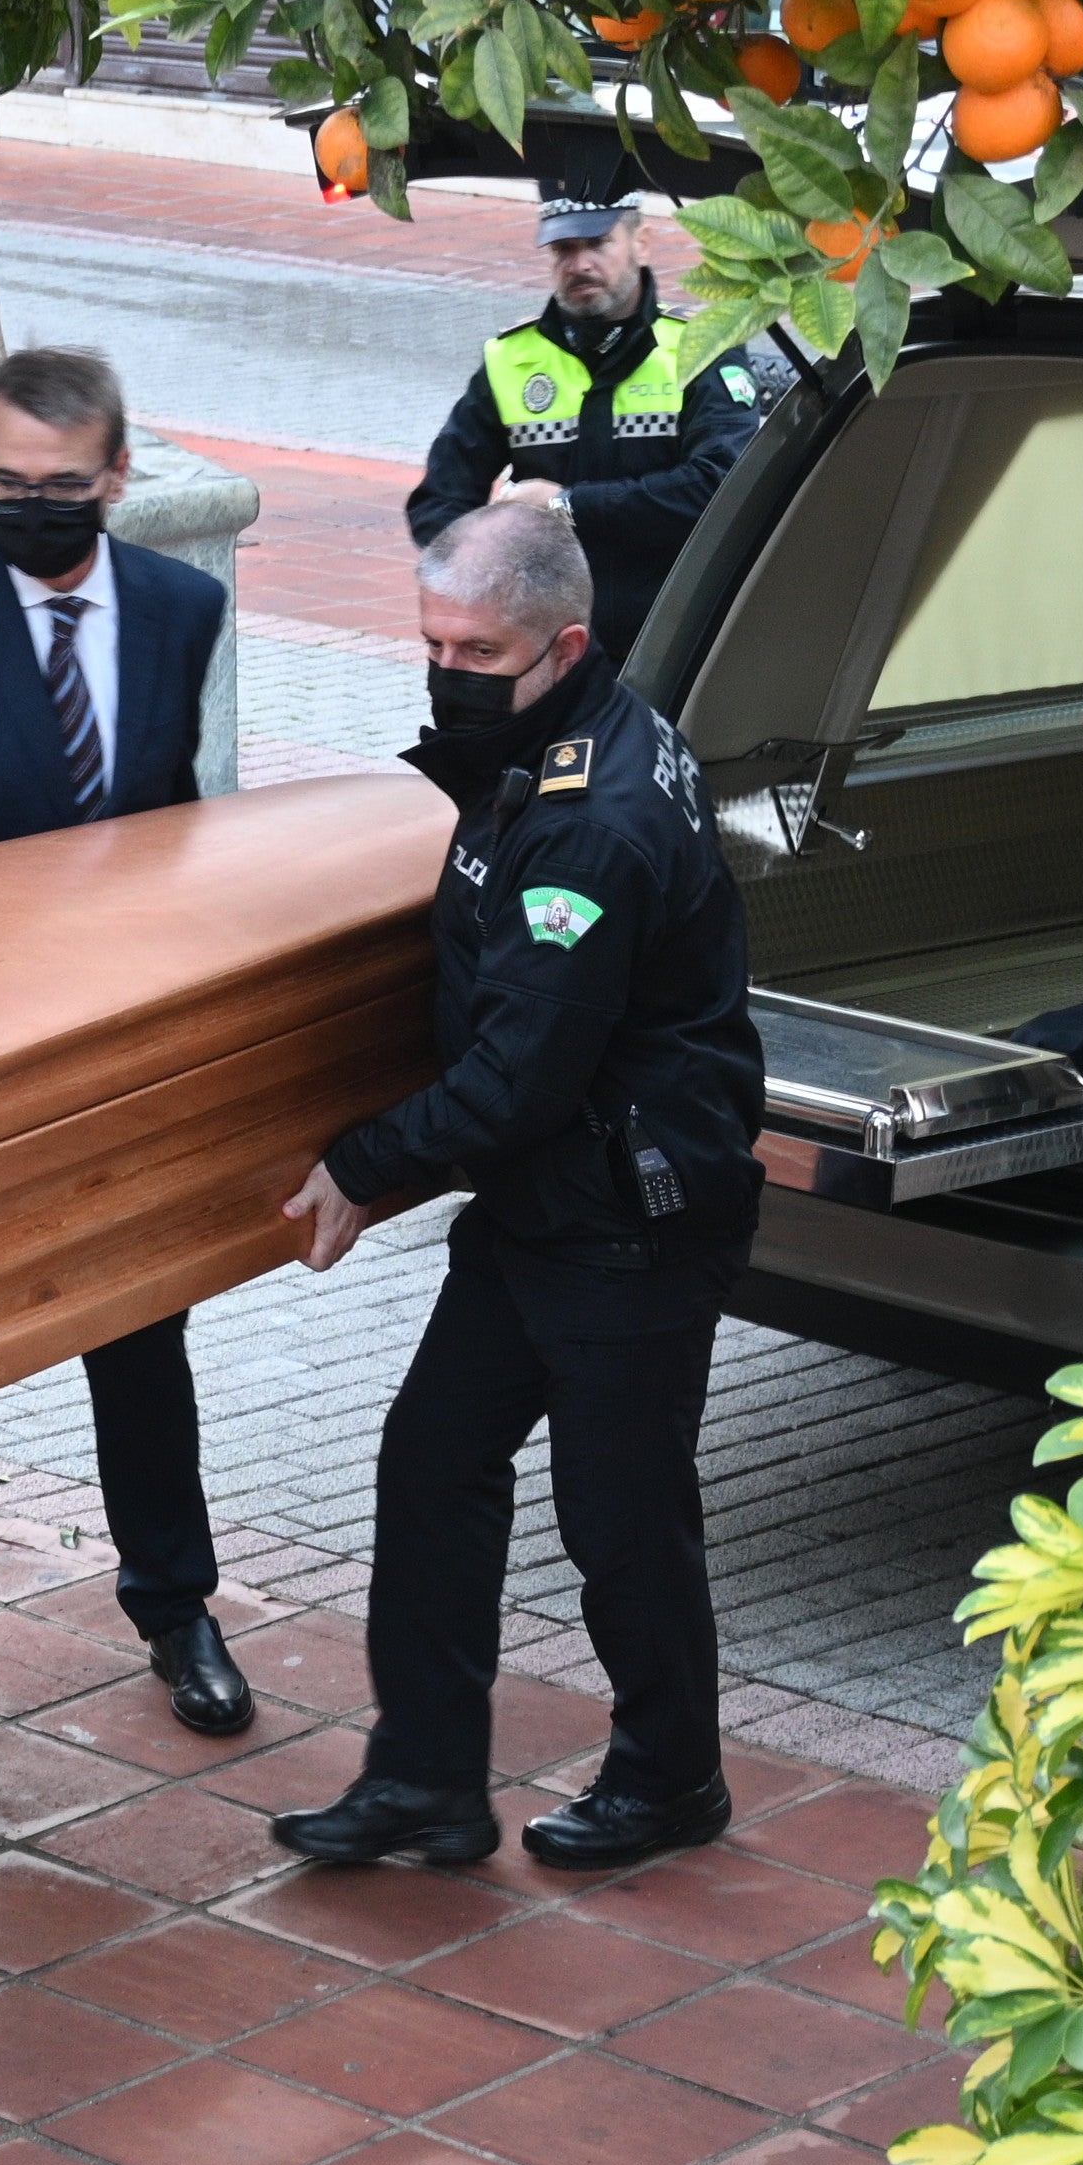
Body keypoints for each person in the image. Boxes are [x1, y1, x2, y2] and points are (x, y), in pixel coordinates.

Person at [268, 503, 767, 1873]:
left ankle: (673, 1780)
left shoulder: (589, 824)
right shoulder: (547, 747)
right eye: (431, 643)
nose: (447, 673)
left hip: (627, 1222)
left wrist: (364, 1163)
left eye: (476, 650)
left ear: (566, 645)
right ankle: (427, 1781)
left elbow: (521, 1078)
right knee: (432, 1465)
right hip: (549, 1202)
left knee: (621, 1523)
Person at [0, 345, 253, 1806]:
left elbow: (173, 821)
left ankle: (178, 1610)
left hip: (126, 1053)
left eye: (58, 488)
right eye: (5, 483)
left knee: (144, 1346)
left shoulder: (185, 610)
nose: (27, 505)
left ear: (116, 479)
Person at [404, 199, 760, 658]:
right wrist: (492, 573)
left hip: (672, 633)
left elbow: (722, 487)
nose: (580, 264)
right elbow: (440, 501)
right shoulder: (513, 358)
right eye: (563, 249)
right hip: (547, 646)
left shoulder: (700, 347)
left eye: (597, 243)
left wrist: (566, 506)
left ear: (642, 243)